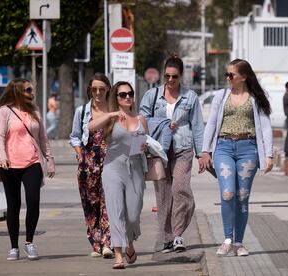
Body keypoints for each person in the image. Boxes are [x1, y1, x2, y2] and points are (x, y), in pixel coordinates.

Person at [199, 59, 273, 257]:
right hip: (223, 147)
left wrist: (269, 154)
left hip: (248, 149)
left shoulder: (256, 98)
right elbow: (212, 124)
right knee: (228, 194)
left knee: (242, 197)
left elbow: (265, 127)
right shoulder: (221, 95)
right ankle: (227, 239)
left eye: (231, 75)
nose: (227, 78)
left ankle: (239, 243)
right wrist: (205, 151)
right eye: (227, 74)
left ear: (243, 76)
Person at [139, 55, 205, 253]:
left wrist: (202, 154)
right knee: (164, 196)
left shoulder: (190, 97)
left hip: (183, 148)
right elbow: (142, 120)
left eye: (174, 77)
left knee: (180, 189)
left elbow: (198, 127)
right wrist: (163, 124)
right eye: (166, 76)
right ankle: (167, 238)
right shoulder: (152, 95)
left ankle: (178, 234)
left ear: (181, 76)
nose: (169, 80)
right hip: (159, 150)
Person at [0, 78, 55, 261]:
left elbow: (43, 138)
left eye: (31, 89)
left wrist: (50, 160)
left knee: (33, 201)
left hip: (32, 162)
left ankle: (29, 243)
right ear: (17, 91)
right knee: (13, 205)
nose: (31, 93)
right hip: (9, 164)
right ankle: (14, 247)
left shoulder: (35, 111)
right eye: (28, 90)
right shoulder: (5, 111)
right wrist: (3, 156)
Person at [89, 81, 148, 269]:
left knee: (132, 215)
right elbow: (90, 126)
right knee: (116, 212)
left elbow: (147, 142)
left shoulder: (141, 118)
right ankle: (118, 255)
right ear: (116, 97)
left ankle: (130, 242)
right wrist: (112, 114)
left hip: (136, 169)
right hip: (113, 168)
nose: (128, 97)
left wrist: (145, 146)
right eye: (123, 95)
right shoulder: (112, 118)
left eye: (130, 94)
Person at [69, 73, 113, 259]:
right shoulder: (82, 111)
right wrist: (80, 155)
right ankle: (96, 242)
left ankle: (108, 244)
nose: (98, 92)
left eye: (102, 89)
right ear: (89, 90)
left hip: (110, 162)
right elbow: (75, 136)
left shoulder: (113, 110)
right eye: (94, 89)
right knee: (91, 204)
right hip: (88, 165)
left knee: (108, 202)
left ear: (108, 90)